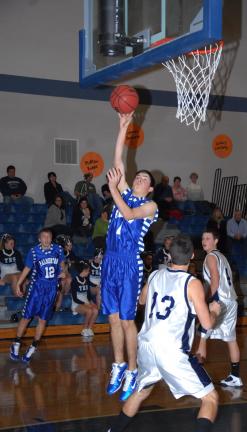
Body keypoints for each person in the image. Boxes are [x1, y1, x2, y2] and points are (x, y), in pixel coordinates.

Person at [108, 234, 221, 432]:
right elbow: (207, 323)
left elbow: (141, 301)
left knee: (142, 391)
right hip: (171, 349)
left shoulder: (154, 275)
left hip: (147, 345)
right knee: (210, 398)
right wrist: (214, 311)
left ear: (168, 255)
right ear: (193, 255)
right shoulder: (192, 283)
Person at [101, 112, 158, 401]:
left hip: (129, 265)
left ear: (149, 188)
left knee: (126, 321)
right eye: (137, 176)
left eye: (144, 178)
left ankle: (133, 369)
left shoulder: (150, 206)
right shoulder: (127, 190)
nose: (138, 178)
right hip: (110, 261)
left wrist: (112, 189)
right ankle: (119, 365)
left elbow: (129, 213)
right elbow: (118, 163)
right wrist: (123, 127)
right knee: (112, 320)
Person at [196, 229, 243, 388]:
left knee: (203, 335)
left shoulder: (210, 256)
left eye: (208, 238)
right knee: (231, 339)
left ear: (216, 240)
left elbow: (215, 280)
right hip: (231, 301)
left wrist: (207, 300)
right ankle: (235, 376)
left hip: (220, 301)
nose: (204, 241)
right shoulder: (221, 256)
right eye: (203, 238)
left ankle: (199, 379)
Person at [9, 228, 65, 363]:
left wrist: (63, 271)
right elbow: (27, 268)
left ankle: (33, 347)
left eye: (49, 236)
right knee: (27, 317)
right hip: (36, 289)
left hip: (51, 289)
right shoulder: (34, 252)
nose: (46, 239)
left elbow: (62, 263)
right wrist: (18, 284)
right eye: (43, 237)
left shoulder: (58, 249)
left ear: (51, 238)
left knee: (43, 320)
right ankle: (16, 343)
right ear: (39, 239)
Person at [70, 261, 98, 337]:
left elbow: (88, 294)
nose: (89, 272)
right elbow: (75, 298)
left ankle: (89, 329)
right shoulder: (74, 281)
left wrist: (91, 302)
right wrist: (86, 304)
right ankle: (84, 329)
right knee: (89, 311)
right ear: (83, 271)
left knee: (95, 310)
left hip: (86, 302)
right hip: (77, 304)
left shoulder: (86, 280)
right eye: (87, 271)